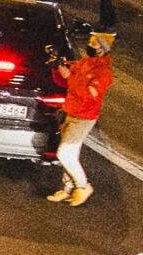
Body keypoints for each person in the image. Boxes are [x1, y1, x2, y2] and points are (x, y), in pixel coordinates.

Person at [47, 27, 114, 208]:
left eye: (94, 44)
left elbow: (87, 94)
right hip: (70, 111)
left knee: (65, 153)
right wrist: (57, 66)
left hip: (83, 118)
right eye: (90, 42)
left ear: (103, 49)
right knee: (70, 154)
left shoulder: (103, 73)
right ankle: (68, 189)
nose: (90, 46)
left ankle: (83, 187)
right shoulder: (84, 62)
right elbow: (65, 79)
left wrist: (71, 78)